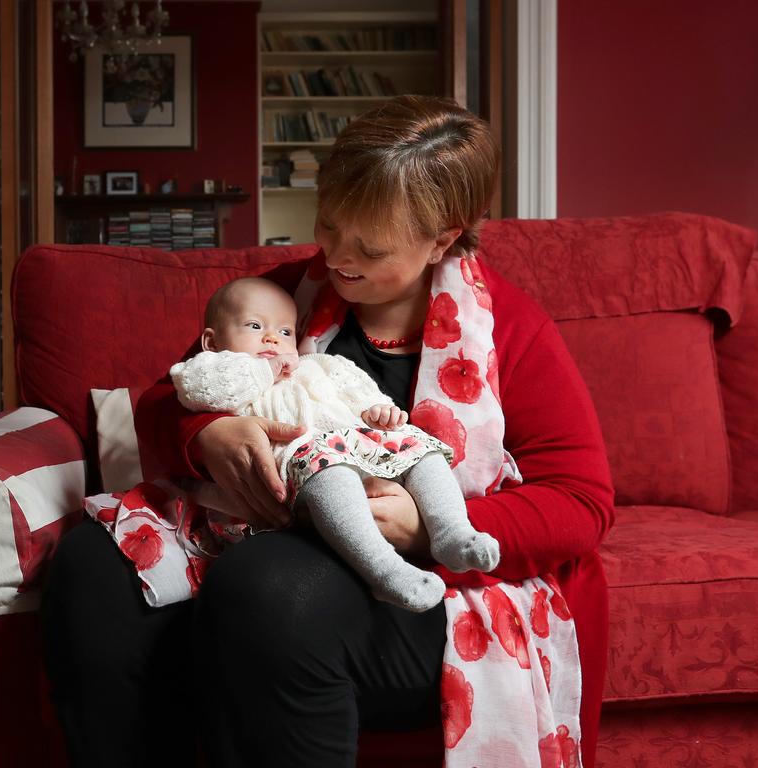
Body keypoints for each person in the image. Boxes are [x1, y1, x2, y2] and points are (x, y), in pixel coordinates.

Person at [40, 94, 614, 768]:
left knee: (266, 587)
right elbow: (175, 396)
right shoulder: (284, 298)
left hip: (432, 578)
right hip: (265, 532)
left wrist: (426, 525)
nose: (337, 256)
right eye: (330, 225)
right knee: (89, 564)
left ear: (445, 237)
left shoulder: (512, 330)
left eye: (370, 246)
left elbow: (581, 502)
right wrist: (206, 437)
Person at [168, 276, 500, 612]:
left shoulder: (317, 364)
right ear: (211, 341)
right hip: (291, 468)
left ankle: (451, 532)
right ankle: (384, 570)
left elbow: (360, 391)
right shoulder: (211, 366)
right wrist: (265, 370)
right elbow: (199, 389)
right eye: (255, 326)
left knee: (420, 450)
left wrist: (378, 412)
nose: (272, 338)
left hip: (351, 450)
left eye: (285, 332)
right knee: (330, 471)